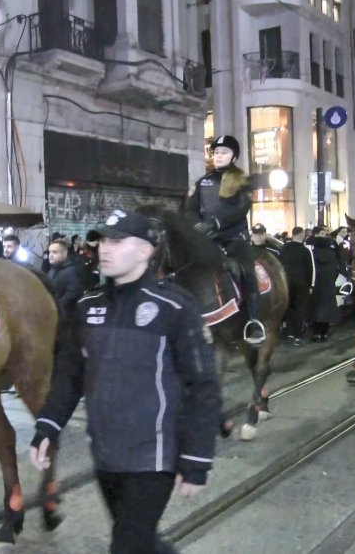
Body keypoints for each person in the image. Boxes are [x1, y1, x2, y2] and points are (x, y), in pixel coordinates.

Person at [29, 209, 221, 554]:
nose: (105, 248)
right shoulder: (87, 307)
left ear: (145, 251)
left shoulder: (174, 308)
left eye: (117, 241)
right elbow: (70, 376)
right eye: (103, 240)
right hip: (106, 454)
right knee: (140, 540)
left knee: (126, 546)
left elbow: (203, 386)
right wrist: (47, 426)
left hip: (154, 458)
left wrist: (196, 456)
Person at [186, 134, 266, 345]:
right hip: (207, 239)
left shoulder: (242, 180)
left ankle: (254, 320)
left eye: (224, 152)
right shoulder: (202, 182)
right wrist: (196, 225)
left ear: (234, 156)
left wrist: (214, 224)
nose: (219, 156)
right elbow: (190, 209)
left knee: (247, 270)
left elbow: (240, 209)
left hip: (233, 237)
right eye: (216, 152)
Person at [278, 227, 315, 346]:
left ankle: (289, 332)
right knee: (300, 309)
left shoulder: (284, 248)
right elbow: (310, 269)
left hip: (287, 283)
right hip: (301, 283)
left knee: (289, 308)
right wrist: (311, 285)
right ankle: (297, 335)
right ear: (302, 235)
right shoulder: (305, 250)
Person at [305, 226, 343, 341]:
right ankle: (324, 333)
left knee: (316, 309)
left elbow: (309, 270)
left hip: (316, 286)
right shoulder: (331, 255)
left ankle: (316, 333)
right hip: (329, 285)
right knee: (327, 310)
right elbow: (337, 269)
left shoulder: (312, 254)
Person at [46, 239, 84, 316]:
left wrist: (54, 307)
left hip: (65, 318)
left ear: (65, 253)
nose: (51, 255)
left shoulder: (72, 271)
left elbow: (71, 296)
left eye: (55, 252)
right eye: (50, 252)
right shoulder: (53, 270)